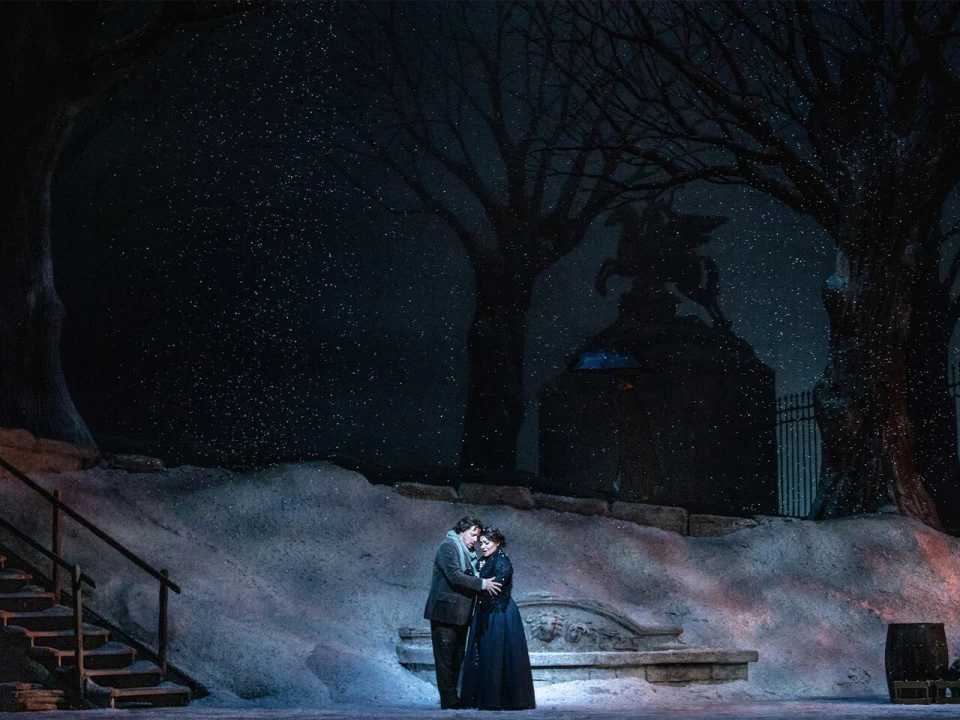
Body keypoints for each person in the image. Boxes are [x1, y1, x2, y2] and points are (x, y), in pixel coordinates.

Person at [423, 517, 503, 709]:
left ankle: (453, 697)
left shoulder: (468, 552)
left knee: (456, 657)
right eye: (473, 535)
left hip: (460, 614)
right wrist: (483, 584)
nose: (475, 541)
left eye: (477, 537)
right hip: (446, 613)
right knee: (445, 659)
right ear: (462, 530)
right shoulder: (448, 547)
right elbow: (455, 576)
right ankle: (449, 700)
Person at [459, 527, 536, 710]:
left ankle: (496, 699)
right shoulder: (482, 560)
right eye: (481, 543)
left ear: (498, 542)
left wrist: (479, 582)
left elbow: (497, 584)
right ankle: (480, 698)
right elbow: (480, 583)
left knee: (496, 654)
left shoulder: (502, 561)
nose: (483, 547)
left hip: (500, 613)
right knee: (483, 653)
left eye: (487, 543)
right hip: (484, 612)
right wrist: (480, 583)